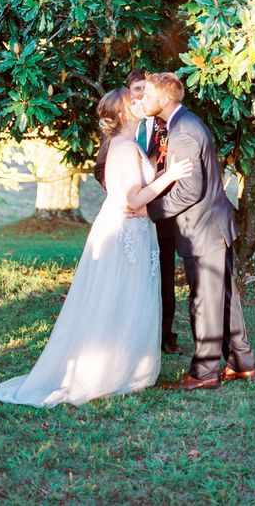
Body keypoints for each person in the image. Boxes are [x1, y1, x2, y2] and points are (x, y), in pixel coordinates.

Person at [0, 87, 192, 407]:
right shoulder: (124, 148)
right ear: (124, 113)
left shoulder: (129, 145)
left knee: (132, 295)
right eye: (133, 100)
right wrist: (171, 177)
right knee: (118, 296)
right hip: (123, 231)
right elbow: (133, 199)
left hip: (137, 229)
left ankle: (130, 366)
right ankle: (109, 372)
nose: (140, 102)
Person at [143, 72, 255, 391]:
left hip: (203, 230)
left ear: (165, 98)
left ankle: (205, 372)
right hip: (211, 227)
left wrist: (148, 211)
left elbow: (189, 191)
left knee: (204, 301)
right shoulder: (183, 124)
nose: (143, 100)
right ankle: (241, 362)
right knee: (224, 298)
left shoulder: (183, 132)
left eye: (148, 95)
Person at [95, 69, 182, 355]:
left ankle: (158, 337)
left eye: (146, 92)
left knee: (157, 282)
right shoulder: (121, 143)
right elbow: (109, 175)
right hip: (128, 219)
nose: (141, 98)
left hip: (159, 216)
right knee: (123, 287)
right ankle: (120, 351)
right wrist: (122, 193)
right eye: (136, 93)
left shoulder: (167, 126)